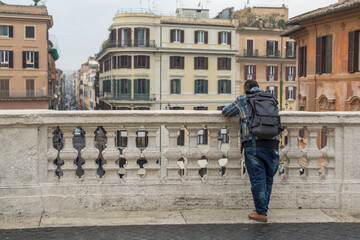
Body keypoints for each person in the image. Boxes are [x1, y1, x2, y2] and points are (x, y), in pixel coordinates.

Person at [222, 80, 279, 223]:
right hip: (273, 142)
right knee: (268, 179)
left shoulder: (243, 99)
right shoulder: (271, 98)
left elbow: (226, 112)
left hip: (253, 144)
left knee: (257, 179)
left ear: (245, 89)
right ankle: (262, 209)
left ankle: (261, 213)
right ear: (259, 88)